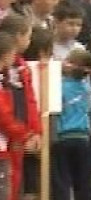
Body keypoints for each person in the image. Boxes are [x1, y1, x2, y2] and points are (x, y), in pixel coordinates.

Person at [0, 15, 40, 200]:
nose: (29, 41)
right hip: (9, 135)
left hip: (19, 135)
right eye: (28, 36)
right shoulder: (4, 70)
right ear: (18, 36)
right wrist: (23, 134)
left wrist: (35, 132)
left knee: (15, 181)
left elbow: (30, 101)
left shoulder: (22, 67)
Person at [51, 49, 91, 200]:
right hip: (83, 139)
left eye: (67, 60)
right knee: (84, 181)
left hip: (62, 137)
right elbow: (90, 108)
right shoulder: (84, 87)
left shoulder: (59, 86)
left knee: (61, 180)